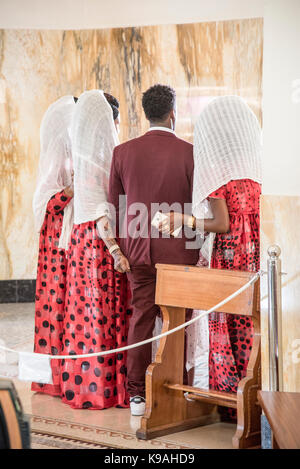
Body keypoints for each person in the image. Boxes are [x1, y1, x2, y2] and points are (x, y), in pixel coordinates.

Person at [160, 95, 262, 419]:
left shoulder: (220, 171)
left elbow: (222, 223)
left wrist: (184, 220)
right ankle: (256, 399)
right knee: (253, 325)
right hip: (256, 252)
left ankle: (231, 404)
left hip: (231, 256)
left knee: (228, 326)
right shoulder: (255, 169)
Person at [109, 84, 199, 416]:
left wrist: (123, 250)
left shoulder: (123, 152)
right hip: (179, 251)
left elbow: (116, 208)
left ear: (145, 114)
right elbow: (196, 205)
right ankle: (176, 385)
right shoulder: (190, 152)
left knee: (141, 317)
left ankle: (136, 395)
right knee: (177, 320)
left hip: (137, 249)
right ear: (172, 113)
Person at [59, 90, 132, 410]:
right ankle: (108, 389)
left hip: (79, 245)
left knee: (83, 317)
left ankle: (84, 388)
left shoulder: (80, 160)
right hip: (100, 248)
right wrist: (117, 251)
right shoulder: (105, 158)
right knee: (104, 315)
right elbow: (104, 215)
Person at [32, 96, 76, 396]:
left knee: (70, 307)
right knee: (53, 306)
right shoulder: (52, 162)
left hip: (71, 242)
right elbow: (46, 202)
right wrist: (71, 190)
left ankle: (70, 374)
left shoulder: (71, 159)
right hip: (54, 246)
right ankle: (51, 378)